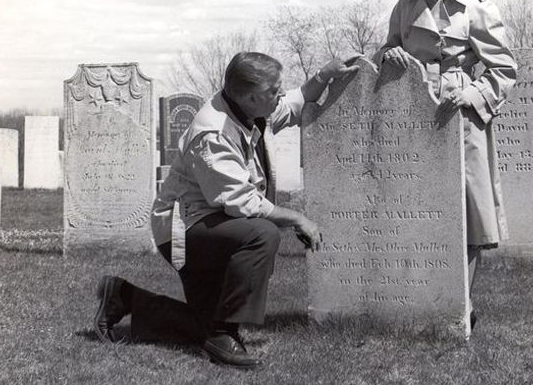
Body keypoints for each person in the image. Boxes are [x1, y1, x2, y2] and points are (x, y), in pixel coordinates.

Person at [94, 52, 358, 368]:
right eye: (274, 90)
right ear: (250, 97)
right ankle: (223, 334)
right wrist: (298, 218)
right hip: (184, 229)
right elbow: (243, 202)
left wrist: (324, 75)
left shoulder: (252, 110)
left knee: (202, 325)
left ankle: (123, 297)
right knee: (262, 233)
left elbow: (297, 103)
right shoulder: (214, 132)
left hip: (214, 222)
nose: (280, 94)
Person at [373, 0, 517, 329]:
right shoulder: (405, 5)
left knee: (468, 217)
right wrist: (390, 56)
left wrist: (471, 94)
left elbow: (504, 70)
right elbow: (385, 50)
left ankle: (460, 308)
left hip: (462, 120)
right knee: (417, 212)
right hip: (415, 118)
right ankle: (420, 301)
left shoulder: (475, 9)